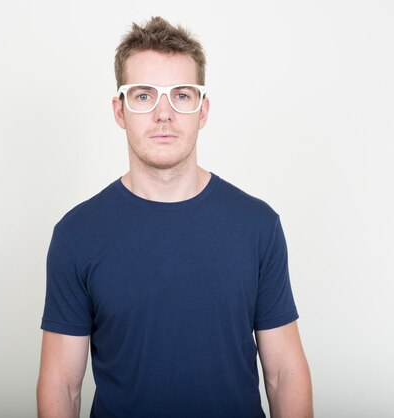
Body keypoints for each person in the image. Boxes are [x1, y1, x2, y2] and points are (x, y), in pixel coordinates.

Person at [37, 16, 313, 418]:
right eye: (144, 95)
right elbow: (62, 385)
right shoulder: (76, 235)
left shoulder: (257, 226)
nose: (163, 113)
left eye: (182, 95)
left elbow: (284, 372)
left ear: (202, 110)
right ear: (119, 110)